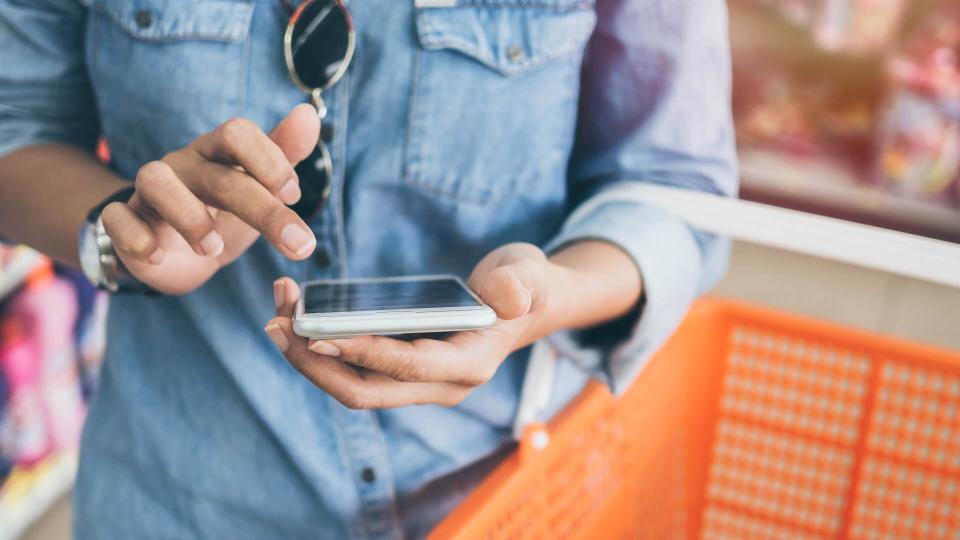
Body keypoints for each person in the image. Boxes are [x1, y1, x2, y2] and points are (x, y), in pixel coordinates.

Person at [0, 0, 736, 537]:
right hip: (174, 501)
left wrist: (545, 298)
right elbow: (17, 124)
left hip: (510, 503)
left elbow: (672, 187)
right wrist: (121, 231)